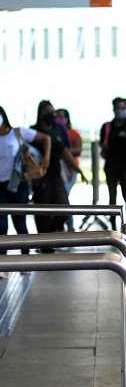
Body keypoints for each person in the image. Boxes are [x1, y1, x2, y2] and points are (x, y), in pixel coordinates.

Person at [0, 105, 52, 273]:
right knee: (1, 226)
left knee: (20, 223)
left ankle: (25, 260)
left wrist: (46, 158)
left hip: (18, 184)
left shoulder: (18, 133)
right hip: (0, 187)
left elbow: (46, 139)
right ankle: (3, 264)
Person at [30, 100, 71, 241]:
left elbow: (65, 151)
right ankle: (45, 244)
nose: (51, 115)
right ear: (40, 114)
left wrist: (76, 169)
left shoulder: (58, 129)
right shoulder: (33, 131)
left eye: (52, 112)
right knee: (42, 212)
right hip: (40, 177)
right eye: (48, 112)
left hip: (56, 175)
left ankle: (52, 231)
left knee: (64, 208)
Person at [100, 98, 126, 222]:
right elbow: (104, 150)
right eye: (119, 108)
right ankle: (112, 225)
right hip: (111, 166)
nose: (122, 111)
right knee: (112, 198)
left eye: (124, 108)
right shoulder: (107, 127)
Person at [55, 108, 83, 198]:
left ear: (67, 119)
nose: (58, 119)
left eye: (61, 117)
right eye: (56, 116)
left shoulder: (74, 133)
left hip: (71, 166)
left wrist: (64, 151)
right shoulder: (54, 133)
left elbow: (78, 150)